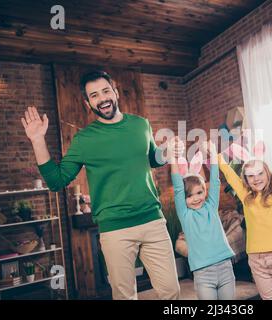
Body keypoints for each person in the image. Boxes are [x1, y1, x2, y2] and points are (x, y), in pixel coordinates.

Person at [21, 70, 181, 300]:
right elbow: (57, 181)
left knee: (172, 292)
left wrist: (166, 152)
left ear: (115, 93)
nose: (102, 98)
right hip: (115, 229)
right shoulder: (84, 139)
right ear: (88, 103)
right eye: (94, 95)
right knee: (124, 296)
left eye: (106, 91)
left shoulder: (140, 124)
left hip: (153, 221)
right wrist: (37, 140)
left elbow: (151, 158)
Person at [218, 126, 272, 300]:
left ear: (267, 174)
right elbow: (229, 174)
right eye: (251, 176)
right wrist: (215, 154)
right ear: (246, 180)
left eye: (259, 173)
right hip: (256, 260)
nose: (256, 178)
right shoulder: (245, 196)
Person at [170, 141, 236, 300]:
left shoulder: (211, 206)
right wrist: (173, 157)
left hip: (225, 268)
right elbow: (178, 187)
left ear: (205, 191)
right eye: (189, 196)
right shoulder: (185, 215)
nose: (195, 199)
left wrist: (213, 153)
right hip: (203, 274)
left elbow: (214, 180)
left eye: (199, 192)